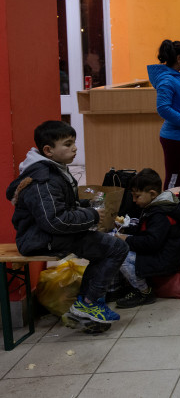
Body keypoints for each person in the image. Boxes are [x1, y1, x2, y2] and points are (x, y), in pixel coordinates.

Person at [6, 120, 128, 325]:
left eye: (74, 142)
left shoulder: (53, 169)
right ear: (48, 150)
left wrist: (85, 204)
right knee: (115, 248)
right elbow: (55, 221)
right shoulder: (43, 180)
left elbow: (59, 207)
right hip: (41, 239)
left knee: (108, 247)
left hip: (48, 235)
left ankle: (88, 302)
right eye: (68, 144)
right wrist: (92, 215)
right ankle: (88, 303)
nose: (75, 148)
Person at [114, 168, 180, 308]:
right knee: (113, 240)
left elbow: (152, 242)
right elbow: (146, 231)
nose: (134, 201)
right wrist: (127, 230)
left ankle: (144, 292)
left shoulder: (159, 213)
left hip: (166, 259)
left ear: (152, 194)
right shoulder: (155, 206)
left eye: (137, 196)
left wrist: (126, 239)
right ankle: (121, 286)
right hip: (161, 252)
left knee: (120, 252)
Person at [147, 40, 180, 189]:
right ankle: (168, 209)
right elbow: (163, 108)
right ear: (178, 58)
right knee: (174, 178)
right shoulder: (167, 80)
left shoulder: (176, 77)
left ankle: (178, 210)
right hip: (176, 138)